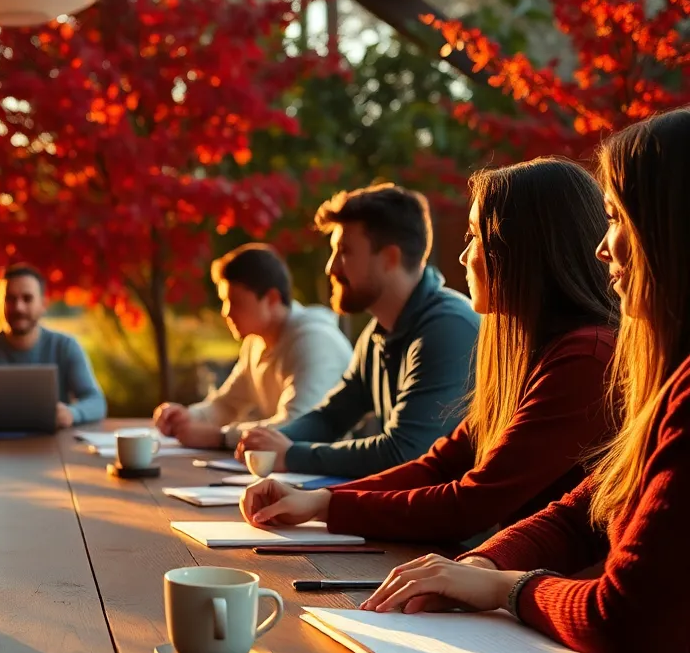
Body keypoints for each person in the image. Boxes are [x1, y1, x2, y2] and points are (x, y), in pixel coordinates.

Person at [360, 110, 690, 653]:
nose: (601, 244)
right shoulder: (667, 377)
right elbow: (586, 511)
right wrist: (483, 564)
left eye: (616, 217)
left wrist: (504, 587)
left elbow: (627, 621)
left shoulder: (592, 355)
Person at [242, 158, 618, 543]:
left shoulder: (585, 358)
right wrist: (319, 499)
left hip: (542, 585)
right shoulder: (522, 352)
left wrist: (326, 503)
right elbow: (439, 465)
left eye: (475, 236)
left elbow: (471, 504)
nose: (463, 256)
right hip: (504, 574)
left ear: (523, 247)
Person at [237, 183, 479, 478]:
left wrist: (290, 454)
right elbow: (331, 418)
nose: (331, 268)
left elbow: (404, 453)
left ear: (390, 258)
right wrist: (268, 442)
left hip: (460, 522)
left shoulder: (448, 329)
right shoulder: (378, 336)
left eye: (345, 252)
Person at [153, 243, 351, 449]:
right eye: (224, 301)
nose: (225, 312)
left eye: (235, 302)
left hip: (333, 473)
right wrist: (186, 417)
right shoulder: (256, 342)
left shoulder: (315, 342)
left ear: (272, 299)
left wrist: (220, 437)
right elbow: (226, 405)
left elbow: (297, 427)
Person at [0, 264, 106, 427]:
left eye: (27, 298)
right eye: (10, 299)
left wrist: (72, 413)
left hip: (52, 447)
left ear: (43, 303)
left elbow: (96, 401)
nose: (18, 307)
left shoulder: (65, 347)